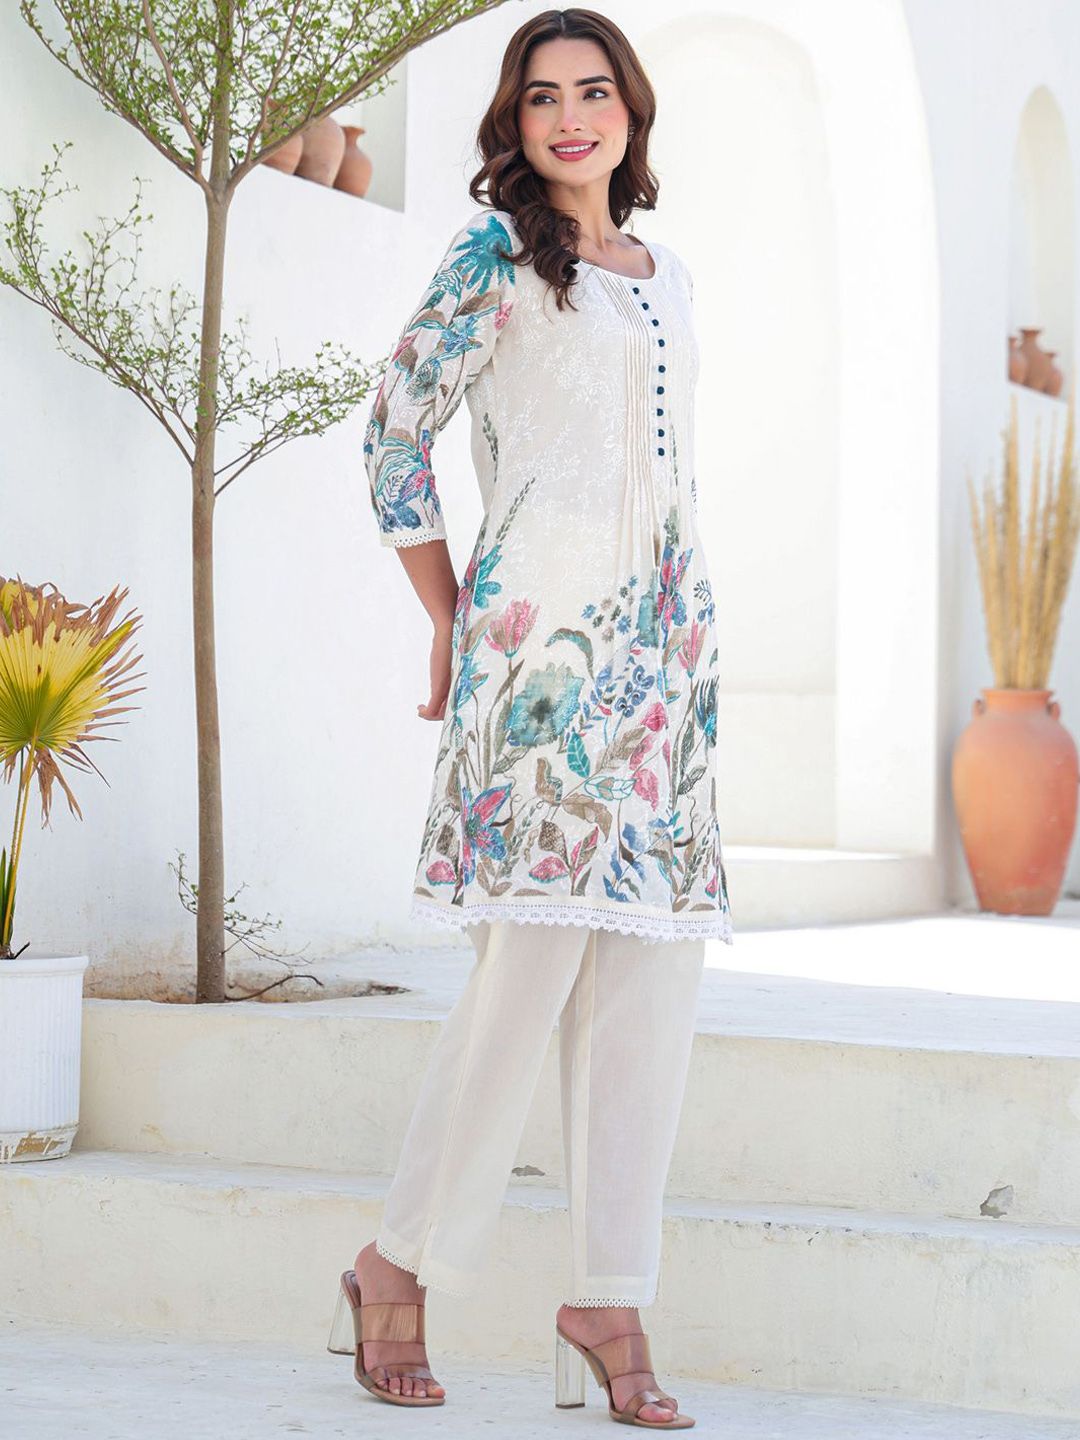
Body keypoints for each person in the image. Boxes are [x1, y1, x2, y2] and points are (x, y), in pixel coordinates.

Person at [330, 7, 734, 1429]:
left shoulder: (667, 275)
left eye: (595, 91)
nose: (572, 117)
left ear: (631, 111)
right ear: (515, 122)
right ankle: (398, 1261)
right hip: (541, 669)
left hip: (665, 676)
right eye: (544, 96)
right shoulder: (494, 257)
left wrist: (686, 659)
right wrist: (449, 613)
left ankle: (611, 1294)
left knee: (649, 994)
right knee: (524, 985)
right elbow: (394, 431)